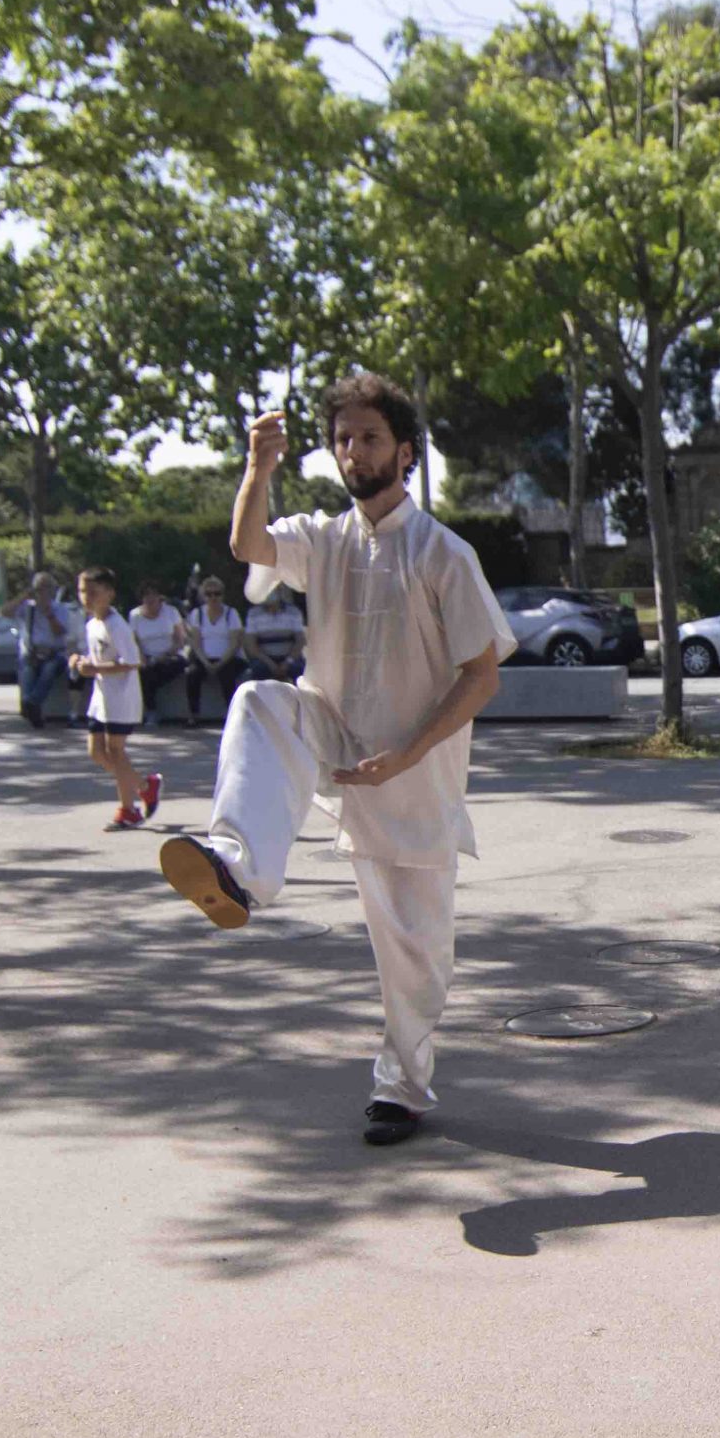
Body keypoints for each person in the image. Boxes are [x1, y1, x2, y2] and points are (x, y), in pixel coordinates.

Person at [157, 373, 513, 1146]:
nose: (355, 452)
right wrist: (257, 466)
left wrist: (408, 754)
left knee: (415, 962)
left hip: (413, 777)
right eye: (343, 439)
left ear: (406, 452)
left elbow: (482, 672)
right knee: (258, 701)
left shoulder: (442, 553)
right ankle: (235, 864)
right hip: (330, 731)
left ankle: (402, 1088)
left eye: (371, 438)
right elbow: (250, 547)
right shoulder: (323, 537)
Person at [69, 567, 160, 828]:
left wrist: (94, 668)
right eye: (82, 591)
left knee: (116, 751)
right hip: (101, 698)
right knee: (96, 752)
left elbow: (132, 661)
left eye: (93, 592)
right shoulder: (92, 625)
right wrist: (81, 661)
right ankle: (144, 786)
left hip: (121, 697)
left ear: (109, 594)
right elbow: (98, 657)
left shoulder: (117, 625)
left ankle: (127, 809)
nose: (86, 597)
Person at [12, 573, 81, 730]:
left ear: (52, 590)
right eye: (38, 589)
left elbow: (60, 632)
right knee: (28, 670)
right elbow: (5, 612)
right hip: (32, 653)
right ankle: (30, 705)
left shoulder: (59, 609)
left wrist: (49, 614)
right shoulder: (27, 608)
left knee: (49, 669)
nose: (42, 593)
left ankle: (32, 704)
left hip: (54, 653)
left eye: (45, 589)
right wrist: (24, 596)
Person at [183, 576, 248, 724]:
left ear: (222, 595)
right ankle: (193, 715)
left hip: (229, 658)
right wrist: (206, 663)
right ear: (203, 596)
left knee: (227, 675)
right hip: (204, 658)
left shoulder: (231, 614)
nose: (213, 597)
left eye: (217, 593)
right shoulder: (197, 614)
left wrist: (219, 663)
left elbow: (234, 643)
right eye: (209, 594)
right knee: (192, 674)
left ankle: (233, 716)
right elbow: (196, 643)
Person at [128, 577, 189, 725]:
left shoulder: (171, 612)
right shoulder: (134, 615)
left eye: (153, 594)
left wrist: (166, 654)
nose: (150, 598)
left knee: (152, 674)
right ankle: (150, 712)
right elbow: (134, 642)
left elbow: (180, 640)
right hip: (147, 658)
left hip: (171, 656)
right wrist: (142, 658)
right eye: (146, 595)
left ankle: (150, 711)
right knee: (143, 672)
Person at [244, 584, 307, 683]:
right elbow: (251, 646)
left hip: (290, 658)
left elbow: (300, 641)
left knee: (300, 672)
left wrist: (287, 662)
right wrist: (270, 664)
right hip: (264, 659)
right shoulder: (253, 614)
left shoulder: (293, 612)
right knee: (257, 671)